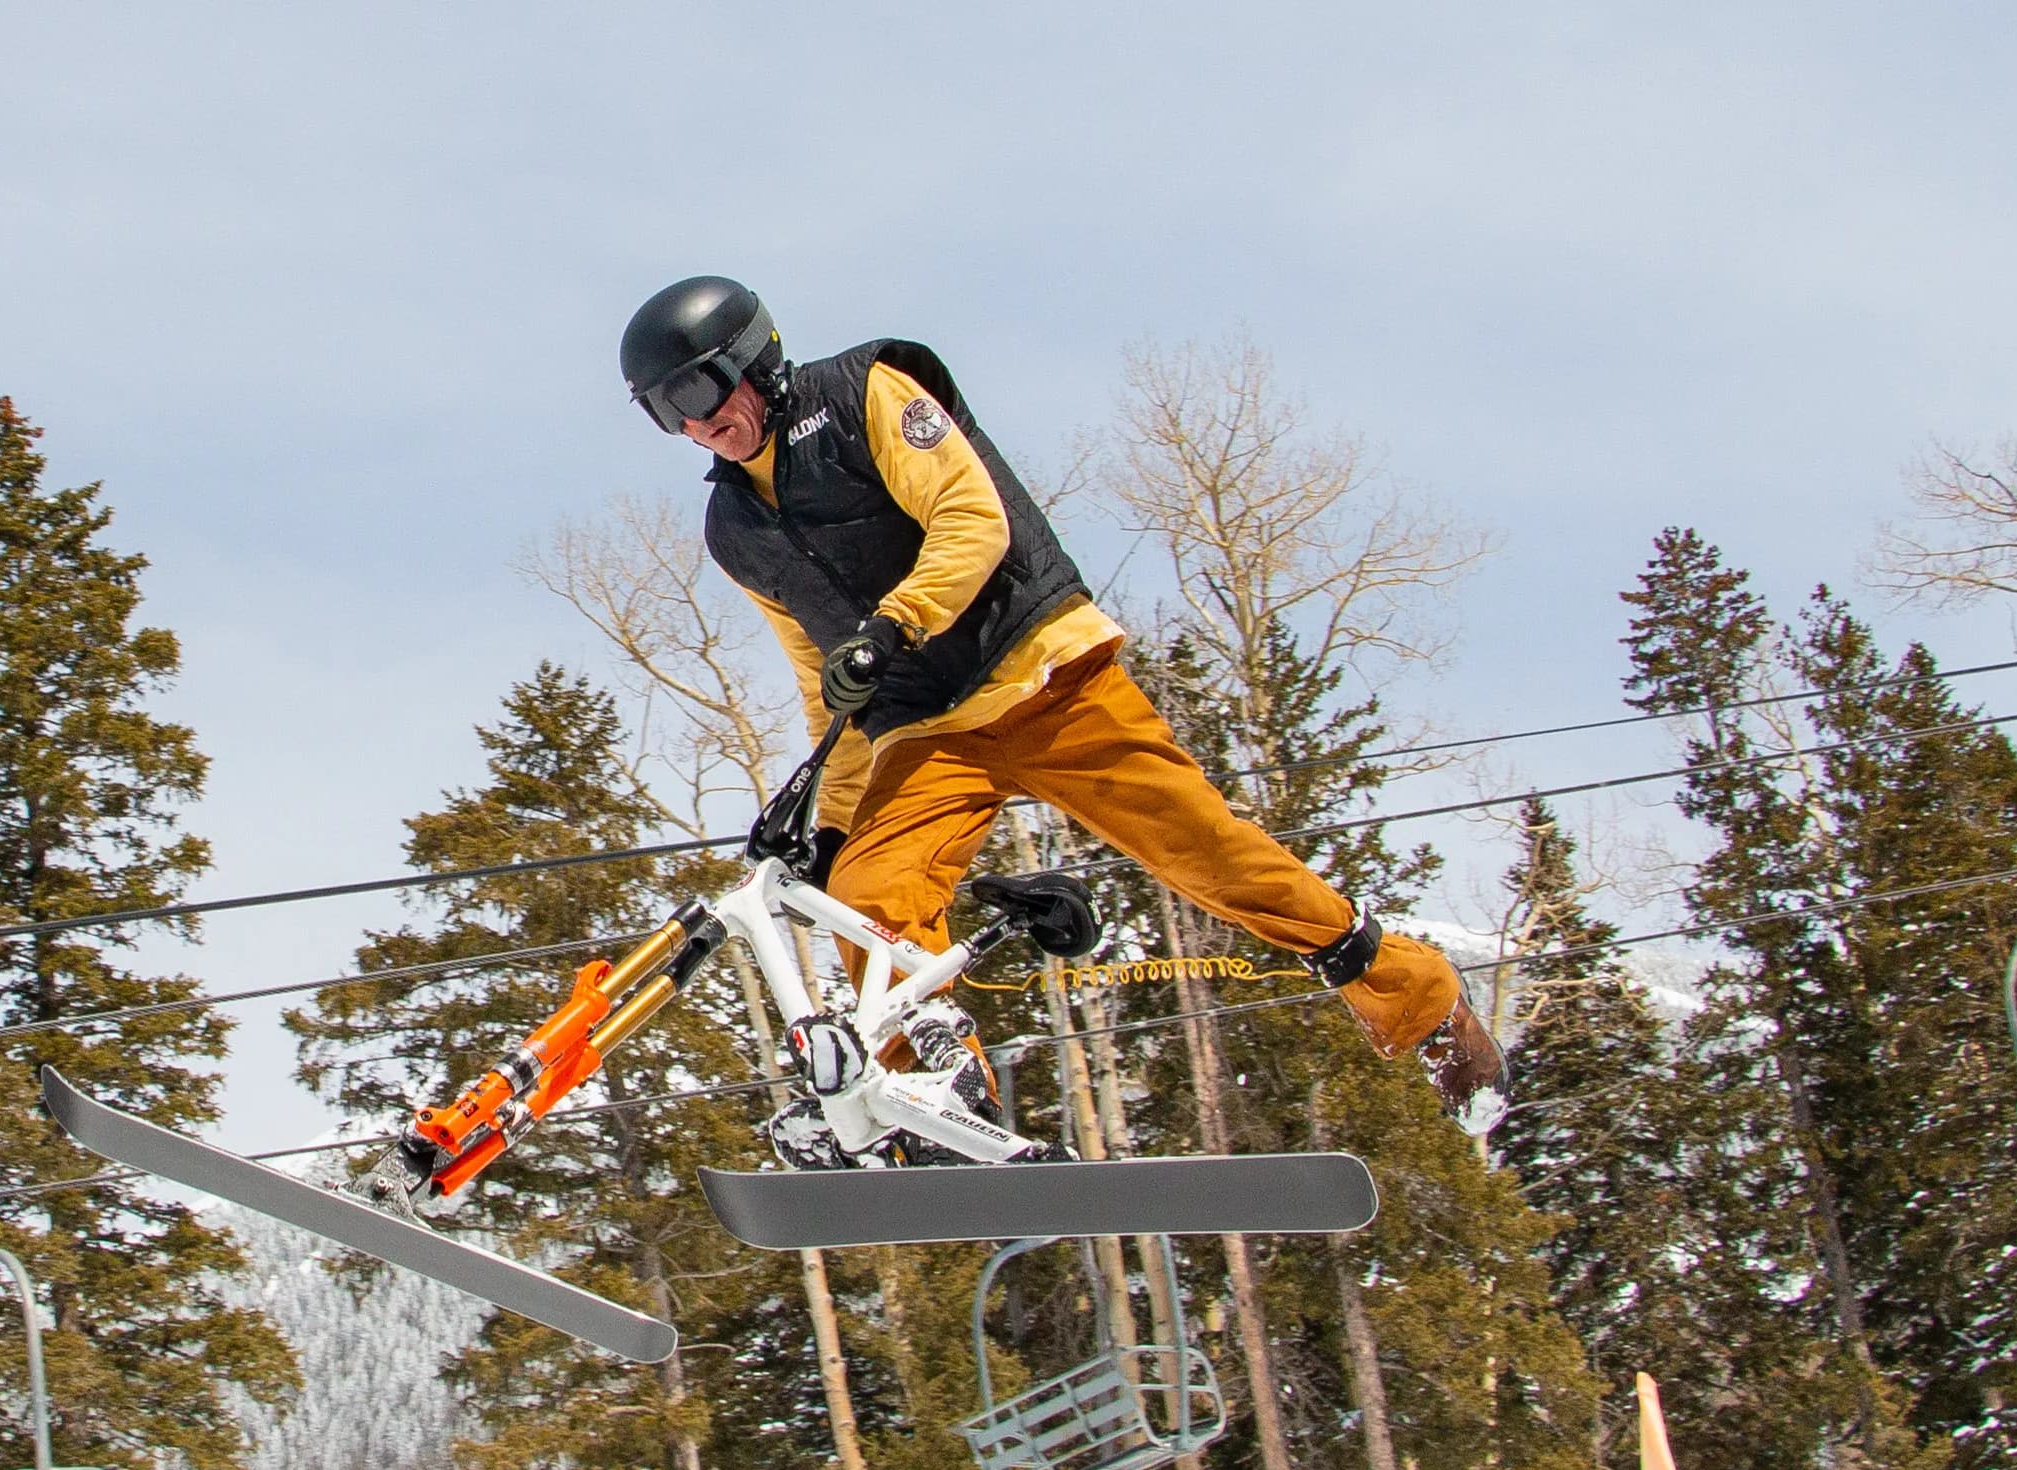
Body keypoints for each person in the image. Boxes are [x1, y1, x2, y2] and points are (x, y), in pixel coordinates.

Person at [618, 276, 1506, 1156]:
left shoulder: (864, 394)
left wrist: (895, 624)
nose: (696, 425)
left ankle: (1418, 995)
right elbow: (825, 678)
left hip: (1041, 674)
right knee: (867, 900)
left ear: (754, 361)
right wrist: (831, 817)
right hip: (929, 730)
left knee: (1212, 856)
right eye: (667, 413)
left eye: (697, 392)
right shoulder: (734, 528)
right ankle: (932, 1089)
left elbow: (972, 520)